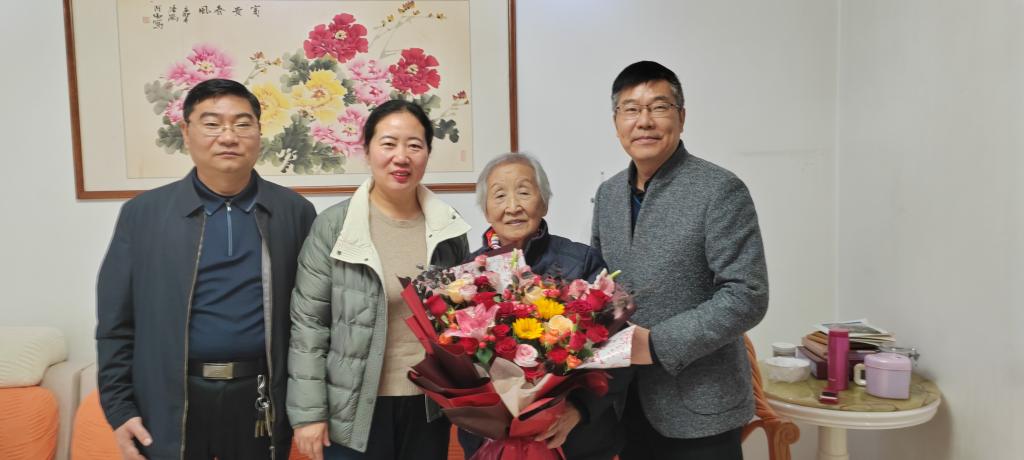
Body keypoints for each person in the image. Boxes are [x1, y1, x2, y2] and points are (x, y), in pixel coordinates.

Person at [96, 78, 317, 460]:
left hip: (261, 396)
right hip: (170, 400)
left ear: (259, 132)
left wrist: (310, 406)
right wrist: (119, 409)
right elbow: (116, 324)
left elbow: (314, 319)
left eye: (242, 124)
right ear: (186, 132)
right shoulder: (143, 214)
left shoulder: (294, 212)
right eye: (212, 124)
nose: (228, 137)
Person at [590, 61, 769, 460]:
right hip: (626, 402)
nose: (645, 121)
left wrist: (656, 344)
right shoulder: (608, 195)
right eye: (631, 109)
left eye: (659, 107)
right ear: (617, 122)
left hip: (701, 407)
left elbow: (747, 295)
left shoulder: (720, 189)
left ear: (681, 117)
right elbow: (601, 287)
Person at [287, 99, 471, 460]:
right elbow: (309, 325)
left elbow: (462, 321)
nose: (401, 157)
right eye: (388, 144)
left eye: (414, 145)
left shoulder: (448, 227)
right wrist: (309, 414)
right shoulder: (335, 227)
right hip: (352, 408)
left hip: (429, 405)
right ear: (367, 150)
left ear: (427, 153)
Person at [457, 152, 630, 460]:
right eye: (500, 195)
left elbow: (620, 349)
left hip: (578, 443)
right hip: (495, 447)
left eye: (524, 192)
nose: (513, 206)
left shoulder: (582, 262)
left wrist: (578, 410)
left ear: (544, 203)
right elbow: (458, 368)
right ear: (486, 209)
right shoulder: (466, 276)